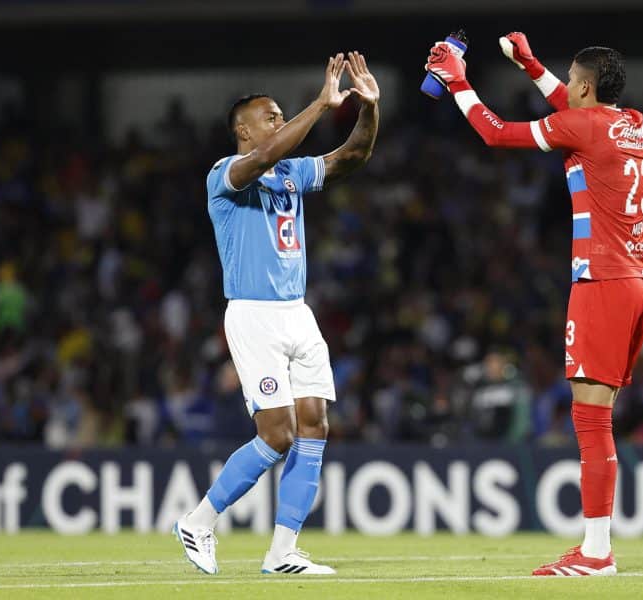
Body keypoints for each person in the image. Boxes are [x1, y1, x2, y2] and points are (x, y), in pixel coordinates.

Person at [425, 33, 643, 576]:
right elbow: (572, 111)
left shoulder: (583, 123)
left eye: (570, 79)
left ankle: (596, 552)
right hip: (637, 279)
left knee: (590, 420)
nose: (565, 86)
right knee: (599, 417)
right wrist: (529, 65)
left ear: (584, 86)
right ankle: (595, 545)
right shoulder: (631, 122)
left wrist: (458, 79)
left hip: (601, 280)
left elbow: (497, 134)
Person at [173, 52, 379, 576]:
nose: (280, 122)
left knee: (315, 426)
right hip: (254, 315)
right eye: (271, 116)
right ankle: (198, 521)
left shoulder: (292, 171)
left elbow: (351, 157)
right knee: (277, 433)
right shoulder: (226, 173)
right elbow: (264, 158)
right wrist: (320, 103)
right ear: (242, 128)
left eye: (282, 115)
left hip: (297, 313)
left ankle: (282, 552)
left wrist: (369, 109)